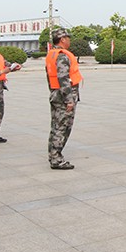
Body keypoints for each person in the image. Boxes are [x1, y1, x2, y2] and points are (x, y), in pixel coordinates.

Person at [45, 28, 82, 170]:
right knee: (62, 127)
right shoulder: (62, 56)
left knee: (56, 127)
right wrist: (69, 100)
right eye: (68, 38)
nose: (69, 40)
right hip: (63, 97)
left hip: (56, 94)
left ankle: (53, 155)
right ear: (62, 39)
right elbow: (63, 78)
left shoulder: (52, 54)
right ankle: (56, 158)